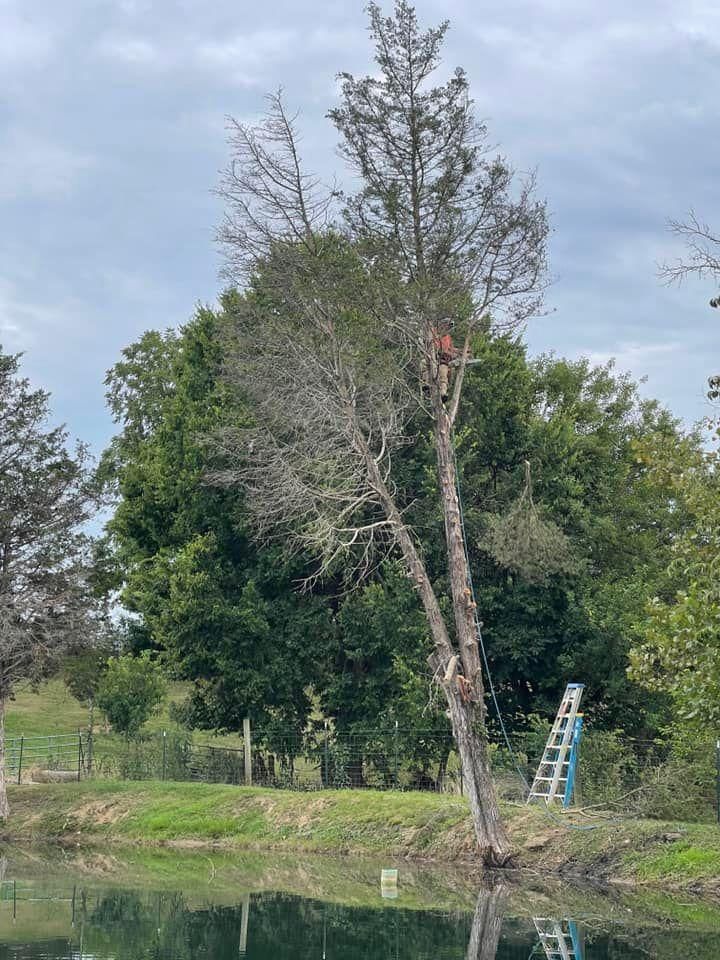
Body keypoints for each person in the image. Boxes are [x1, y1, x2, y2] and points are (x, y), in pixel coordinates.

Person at [432, 319, 460, 402]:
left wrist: (460, 352)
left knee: (444, 373)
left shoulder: (448, 337)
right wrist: (450, 354)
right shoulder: (433, 333)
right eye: (448, 326)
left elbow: (450, 348)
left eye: (450, 327)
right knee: (425, 367)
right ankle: (426, 387)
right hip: (433, 358)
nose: (449, 328)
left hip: (442, 362)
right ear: (443, 325)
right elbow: (438, 348)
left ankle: (443, 393)